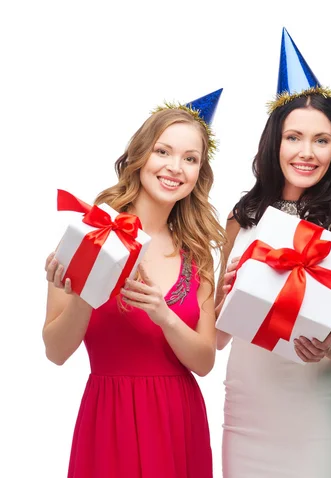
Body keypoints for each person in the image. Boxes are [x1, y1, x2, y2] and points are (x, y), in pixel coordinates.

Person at [43, 89, 226, 478]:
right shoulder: (90, 235)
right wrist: (84, 295)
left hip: (179, 421)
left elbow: (205, 361)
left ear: (198, 175)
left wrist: (164, 315)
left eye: (190, 159)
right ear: (140, 156)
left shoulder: (198, 254)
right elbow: (56, 352)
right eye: (163, 151)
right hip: (109, 422)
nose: (175, 167)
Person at [217, 28, 331, 478]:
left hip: (314, 415)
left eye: (321, 140)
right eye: (294, 138)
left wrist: (329, 347)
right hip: (246, 416)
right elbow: (217, 337)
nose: (307, 152)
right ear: (274, 142)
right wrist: (220, 303)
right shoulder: (241, 218)